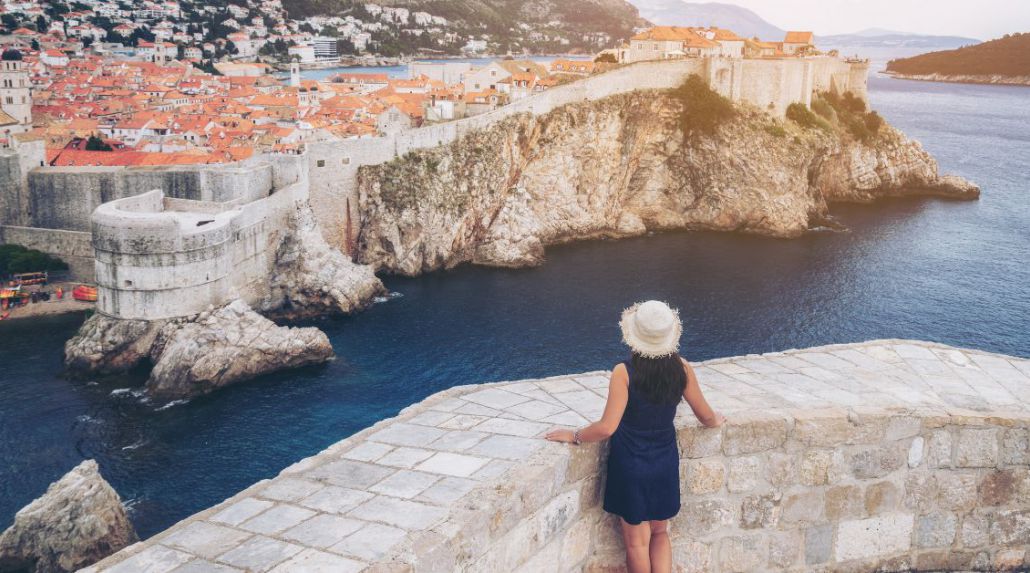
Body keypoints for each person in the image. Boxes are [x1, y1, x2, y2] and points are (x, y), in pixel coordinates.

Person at [545, 300, 725, 573]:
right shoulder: (682, 369)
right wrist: (716, 420)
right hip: (664, 461)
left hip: (631, 463)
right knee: (661, 533)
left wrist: (575, 435)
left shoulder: (624, 373)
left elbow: (607, 427)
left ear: (634, 337)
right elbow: (705, 416)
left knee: (637, 544)